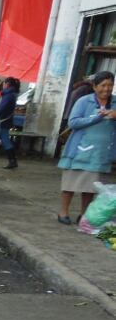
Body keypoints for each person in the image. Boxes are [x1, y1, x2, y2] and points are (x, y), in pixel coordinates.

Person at [56, 70, 116, 224]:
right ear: (95, 86)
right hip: (80, 149)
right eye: (103, 85)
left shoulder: (115, 103)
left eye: (110, 85)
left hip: (101, 153)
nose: (106, 89)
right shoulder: (84, 101)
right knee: (70, 184)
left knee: (90, 187)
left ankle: (84, 215)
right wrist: (98, 117)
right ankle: (63, 212)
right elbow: (73, 122)